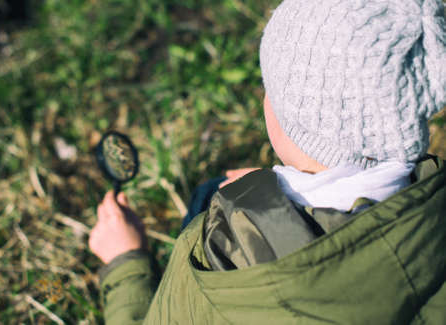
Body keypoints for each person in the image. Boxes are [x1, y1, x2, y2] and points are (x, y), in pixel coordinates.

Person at [88, 0, 446, 323]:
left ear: (296, 129)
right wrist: (280, 195)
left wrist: (125, 263)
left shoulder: (224, 270)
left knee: (208, 196)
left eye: (268, 89)